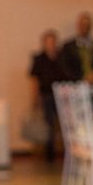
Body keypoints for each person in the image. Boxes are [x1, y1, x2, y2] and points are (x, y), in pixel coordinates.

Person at [29, 29, 65, 161]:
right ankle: (49, 153)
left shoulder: (61, 57)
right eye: (48, 42)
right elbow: (35, 79)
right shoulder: (39, 58)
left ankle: (65, 149)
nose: (51, 44)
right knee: (48, 123)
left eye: (53, 41)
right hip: (46, 94)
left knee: (62, 123)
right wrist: (35, 97)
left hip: (60, 95)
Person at [59, 12, 93, 84]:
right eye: (82, 25)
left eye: (87, 25)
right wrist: (82, 77)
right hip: (75, 86)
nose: (85, 28)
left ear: (91, 26)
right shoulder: (67, 46)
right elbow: (65, 68)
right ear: (78, 26)